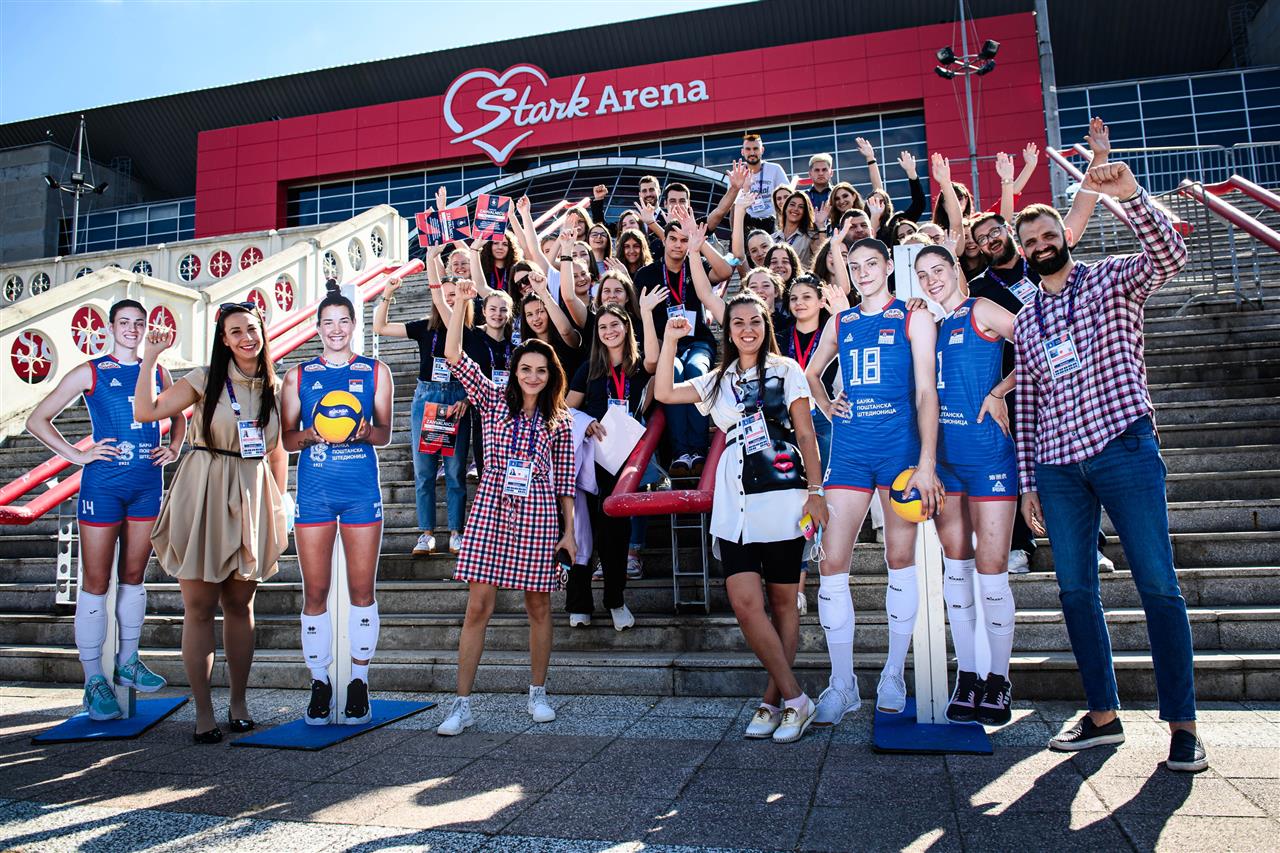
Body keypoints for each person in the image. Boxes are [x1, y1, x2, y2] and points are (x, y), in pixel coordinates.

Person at [1013, 162, 1207, 772]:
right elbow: (1029, 402)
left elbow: (1170, 258)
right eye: (1031, 241)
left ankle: (1183, 726)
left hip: (1123, 448)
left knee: (1158, 585)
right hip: (1058, 468)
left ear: (1066, 236)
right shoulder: (1025, 318)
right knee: (1075, 591)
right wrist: (1028, 484)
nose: (1042, 245)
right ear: (1024, 252)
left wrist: (1132, 197)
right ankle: (1102, 716)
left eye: (1049, 235)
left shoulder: (1110, 279)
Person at [656, 294, 827, 743]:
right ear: (727, 331)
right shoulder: (718, 379)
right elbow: (664, 392)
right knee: (745, 602)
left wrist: (816, 492)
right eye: (737, 323)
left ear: (766, 325)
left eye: (755, 321)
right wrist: (671, 340)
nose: (747, 329)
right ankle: (797, 698)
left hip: (783, 492)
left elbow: (806, 432)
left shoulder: (786, 370)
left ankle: (774, 702)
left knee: (784, 603)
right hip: (735, 498)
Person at [803, 238, 943, 723]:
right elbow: (811, 373)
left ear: (887, 267)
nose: (863, 272)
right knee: (831, 562)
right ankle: (842, 684)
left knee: (899, 558)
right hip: (850, 453)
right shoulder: (841, 321)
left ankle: (893, 673)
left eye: (871, 264)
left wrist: (927, 462)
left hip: (899, 453)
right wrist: (827, 404)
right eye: (854, 266)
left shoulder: (911, 315)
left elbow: (926, 391)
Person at [134, 303, 288, 743]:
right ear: (223, 339)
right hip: (203, 490)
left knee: (240, 605)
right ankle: (203, 712)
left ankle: (238, 703)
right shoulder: (204, 379)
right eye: (235, 331)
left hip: (251, 492)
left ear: (263, 332)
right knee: (199, 607)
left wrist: (278, 503)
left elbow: (278, 451)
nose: (246, 338)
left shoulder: (276, 386)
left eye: (252, 329)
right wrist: (150, 360)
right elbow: (146, 412)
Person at [26, 299, 185, 720]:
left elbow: (179, 416)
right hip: (104, 486)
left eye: (139, 322)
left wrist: (174, 447)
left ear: (147, 328)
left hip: (146, 485)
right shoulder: (91, 371)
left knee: (133, 576)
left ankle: (128, 661)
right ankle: (93, 678)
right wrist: (77, 456)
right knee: (96, 581)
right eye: (124, 322)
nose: (132, 329)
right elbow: (37, 420)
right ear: (110, 328)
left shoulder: (158, 371)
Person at [435, 278, 576, 736]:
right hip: (492, 504)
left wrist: (570, 533)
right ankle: (461, 704)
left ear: (551, 375)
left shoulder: (560, 420)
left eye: (541, 370)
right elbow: (454, 355)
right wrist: (461, 304)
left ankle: (538, 692)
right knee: (478, 606)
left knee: (539, 605)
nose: (532, 376)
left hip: (538, 510)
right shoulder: (493, 399)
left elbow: (566, 482)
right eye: (525, 369)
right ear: (514, 371)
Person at [914, 246, 1019, 726]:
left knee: (992, 570)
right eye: (922, 274)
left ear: (957, 269)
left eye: (938, 269)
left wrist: (1000, 390)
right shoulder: (930, 326)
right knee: (956, 568)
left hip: (990, 457)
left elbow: (1037, 341)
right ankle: (970, 675)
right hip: (947, 463)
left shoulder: (981, 308)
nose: (931, 279)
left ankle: (999, 678)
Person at [280, 285, 393, 725]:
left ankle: (359, 681)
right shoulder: (299, 376)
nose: (336, 329)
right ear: (318, 328)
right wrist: (311, 435)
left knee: (363, 590)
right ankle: (319, 682)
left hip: (361, 491)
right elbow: (287, 439)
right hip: (315, 494)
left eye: (343, 321)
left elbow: (384, 433)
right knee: (315, 592)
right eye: (328, 322)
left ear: (354, 325)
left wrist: (364, 433)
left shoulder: (375, 371)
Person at [374, 263, 488, 556]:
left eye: (454, 295)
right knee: (424, 471)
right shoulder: (425, 326)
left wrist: (467, 400)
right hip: (426, 397)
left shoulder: (471, 333)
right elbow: (380, 327)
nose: (449, 300)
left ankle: (456, 532)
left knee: (455, 470)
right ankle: (426, 534)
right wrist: (387, 293)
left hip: (456, 398)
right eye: (445, 295)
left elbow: (480, 375)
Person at [565, 304, 655, 628]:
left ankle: (615, 600)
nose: (608, 331)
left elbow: (656, 360)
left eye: (614, 324)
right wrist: (586, 421)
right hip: (591, 461)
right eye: (602, 327)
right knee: (583, 531)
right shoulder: (589, 368)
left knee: (616, 534)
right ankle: (579, 603)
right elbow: (564, 410)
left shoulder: (639, 367)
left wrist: (648, 312)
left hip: (626, 461)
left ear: (626, 326)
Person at [632, 219, 731, 476]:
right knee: (673, 372)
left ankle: (698, 450)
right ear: (663, 240)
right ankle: (680, 452)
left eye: (684, 240)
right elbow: (641, 318)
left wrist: (700, 243)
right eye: (673, 239)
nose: (678, 245)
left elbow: (724, 272)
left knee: (696, 371)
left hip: (698, 341)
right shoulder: (646, 274)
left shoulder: (695, 265)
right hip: (667, 344)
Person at [740, 132, 791, 232]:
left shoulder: (775, 169)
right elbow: (733, 206)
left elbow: (788, 196)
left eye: (755, 148)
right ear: (742, 152)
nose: (752, 153)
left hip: (773, 222)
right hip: (748, 223)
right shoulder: (738, 174)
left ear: (762, 150)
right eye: (748, 149)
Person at [772, 190, 824, 268]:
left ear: (805, 212)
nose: (796, 209)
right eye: (792, 205)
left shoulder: (811, 236)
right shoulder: (772, 238)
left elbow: (822, 257)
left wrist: (821, 225)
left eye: (801, 207)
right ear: (785, 208)